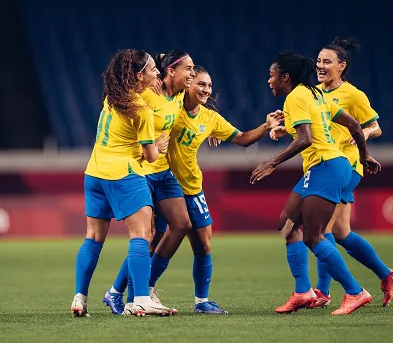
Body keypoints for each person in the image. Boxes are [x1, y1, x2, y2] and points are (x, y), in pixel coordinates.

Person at [270, 38, 393, 308]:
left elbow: (372, 126)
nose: (320, 66)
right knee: (341, 232)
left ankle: (323, 290)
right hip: (323, 165)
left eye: (327, 61)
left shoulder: (352, 94)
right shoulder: (314, 92)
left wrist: (363, 142)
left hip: (345, 163)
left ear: (341, 66)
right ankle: (386, 275)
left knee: (321, 229)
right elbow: (310, 126)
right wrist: (287, 128)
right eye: (318, 61)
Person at [250, 51, 381, 315]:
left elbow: (305, 138)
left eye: (271, 75)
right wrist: (364, 156)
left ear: (284, 77)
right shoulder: (315, 94)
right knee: (287, 225)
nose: (269, 80)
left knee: (313, 235)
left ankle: (356, 292)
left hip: (326, 167)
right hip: (329, 166)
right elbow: (355, 125)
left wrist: (271, 163)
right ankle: (302, 292)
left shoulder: (296, 97)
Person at [155, 65, 284, 313]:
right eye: (201, 84)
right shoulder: (170, 106)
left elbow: (243, 138)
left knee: (203, 245)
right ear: (188, 83)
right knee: (154, 239)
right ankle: (140, 292)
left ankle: (201, 302)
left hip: (192, 186)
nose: (206, 89)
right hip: (165, 184)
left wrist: (266, 125)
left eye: (209, 85)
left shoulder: (210, 118)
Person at [71, 49, 172, 317]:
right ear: (139, 75)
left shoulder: (112, 97)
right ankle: (140, 299)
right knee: (142, 235)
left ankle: (80, 297)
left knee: (93, 237)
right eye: (153, 70)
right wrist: (160, 146)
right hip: (124, 174)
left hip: (94, 172)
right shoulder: (142, 111)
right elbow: (149, 157)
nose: (157, 73)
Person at [104, 50, 195, 315]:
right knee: (147, 235)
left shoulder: (178, 95)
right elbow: (125, 100)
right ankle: (130, 295)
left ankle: (139, 289)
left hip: (164, 172)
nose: (191, 73)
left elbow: (198, 101)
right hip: (142, 170)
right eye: (188, 69)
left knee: (182, 225)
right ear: (170, 71)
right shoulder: (146, 93)